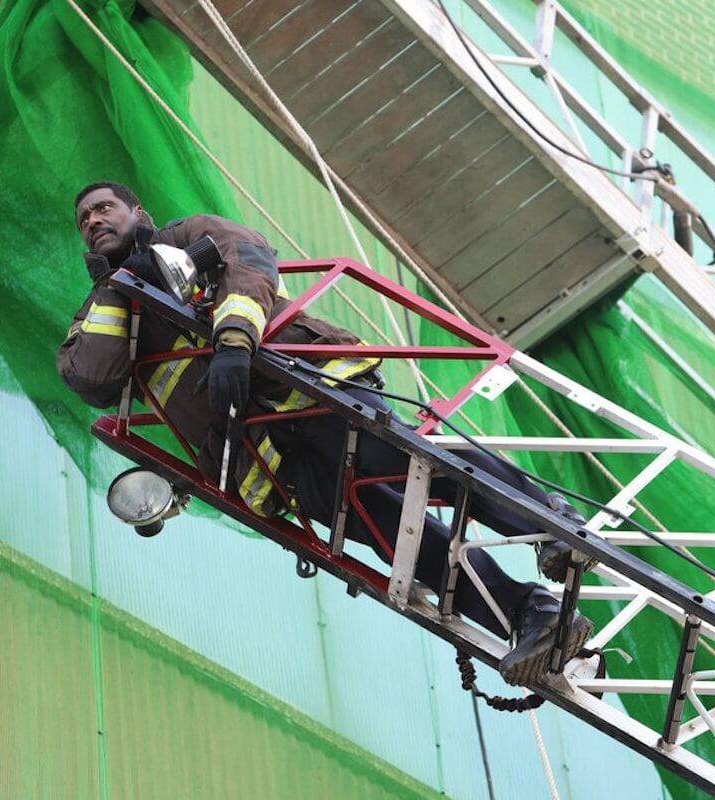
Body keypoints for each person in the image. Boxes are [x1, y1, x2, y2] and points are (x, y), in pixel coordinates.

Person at [57, 181, 594, 686]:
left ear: (139, 214)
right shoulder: (102, 309)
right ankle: (531, 612)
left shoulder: (187, 235)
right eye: (84, 219)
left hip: (315, 389)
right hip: (265, 456)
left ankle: (548, 522)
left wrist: (234, 341)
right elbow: (92, 378)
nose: (93, 220)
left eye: (104, 207)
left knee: (419, 469)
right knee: (395, 538)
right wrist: (118, 287)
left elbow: (250, 261)